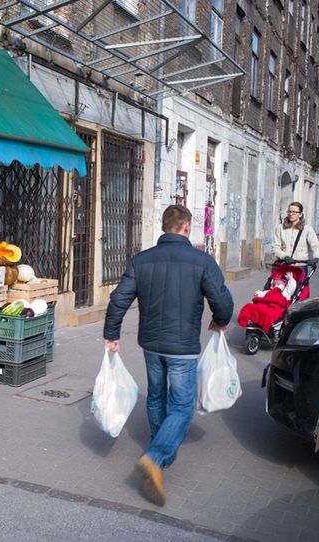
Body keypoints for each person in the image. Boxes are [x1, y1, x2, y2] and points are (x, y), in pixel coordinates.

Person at [102, 204, 234, 507]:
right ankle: (155, 456)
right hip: (183, 347)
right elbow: (222, 300)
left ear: (164, 226)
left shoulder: (142, 260)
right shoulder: (202, 261)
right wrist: (221, 320)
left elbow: (119, 299)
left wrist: (111, 334)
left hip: (150, 344)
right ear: (187, 226)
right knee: (183, 406)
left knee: (156, 397)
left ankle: (162, 453)